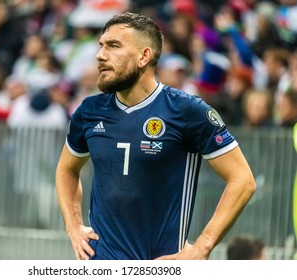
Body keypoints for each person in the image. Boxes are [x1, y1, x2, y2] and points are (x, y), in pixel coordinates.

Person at [55, 12, 256, 260]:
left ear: (144, 56)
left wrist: (202, 248)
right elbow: (66, 170)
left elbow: (243, 180)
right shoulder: (89, 111)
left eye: (113, 46)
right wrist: (73, 226)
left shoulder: (186, 111)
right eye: (101, 46)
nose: (100, 55)